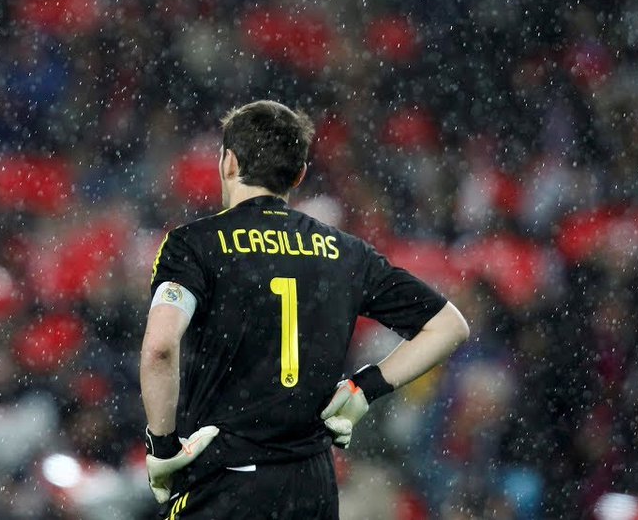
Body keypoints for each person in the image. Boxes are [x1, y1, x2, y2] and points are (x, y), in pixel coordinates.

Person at [140, 100, 470, 519]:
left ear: (227, 162)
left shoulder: (195, 245)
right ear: (299, 174)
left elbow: (160, 349)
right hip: (311, 487)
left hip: (225, 481)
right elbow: (448, 326)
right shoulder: (346, 252)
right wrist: (364, 388)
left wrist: (162, 447)